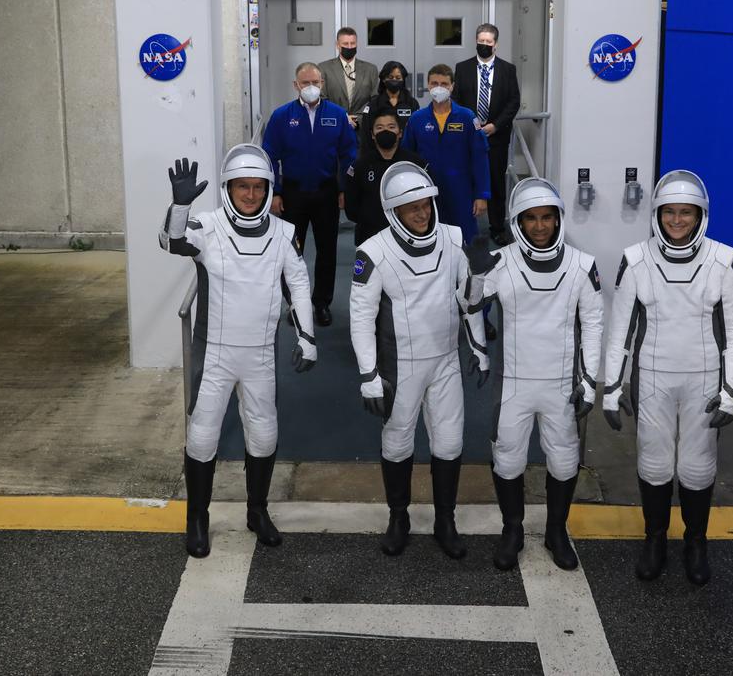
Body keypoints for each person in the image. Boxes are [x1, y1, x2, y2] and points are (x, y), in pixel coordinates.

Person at [158, 144, 318, 559]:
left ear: (269, 189)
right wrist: (179, 205)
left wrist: (307, 337)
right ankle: (197, 518)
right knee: (202, 436)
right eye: (242, 187)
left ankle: (257, 511)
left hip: (261, 354)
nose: (250, 195)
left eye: (258, 187)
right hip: (215, 354)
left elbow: (298, 284)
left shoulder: (283, 233)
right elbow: (171, 241)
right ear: (228, 189)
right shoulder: (208, 227)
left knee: (263, 434)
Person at [600, 170, 733, 585]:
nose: (677, 221)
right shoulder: (635, 259)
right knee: (654, 462)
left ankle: (696, 542)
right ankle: (655, 539)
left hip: (704, 382)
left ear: (701, 215)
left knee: (698, 468)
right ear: (657, 214)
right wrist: (611, 389)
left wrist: (731, 392)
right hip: (652, 380)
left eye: (686, 213)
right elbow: (620, 332)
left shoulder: (723, 260)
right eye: (670, 213)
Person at [459, 178, 604, 572]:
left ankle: (557, 531)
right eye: (530, 219)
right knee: (508, 459)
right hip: (515, 383)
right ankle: (513, 530)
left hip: (561, 386)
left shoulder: (581, 265)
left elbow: (593, 324)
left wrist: (589, 381)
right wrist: (479, 348)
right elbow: (470, 306)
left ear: (558, 219)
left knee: (563, 460)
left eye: (547, 218)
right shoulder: (501, 262)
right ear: (517, 222)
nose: (540, 227)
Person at [350, 161, 489, 560]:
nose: (422, 212)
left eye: (426, 203)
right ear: (394, 211)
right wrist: (369, 375)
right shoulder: (371, 253)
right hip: (401, 365)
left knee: (449, 443)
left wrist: (479, 348)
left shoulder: (453, 238)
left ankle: (446, 520)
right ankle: (399, 518)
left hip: (445, 359)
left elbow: (469, 300)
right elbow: (360, 318)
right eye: (412, 207)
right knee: (397, 443)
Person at [262, 62, 358, 327]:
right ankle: (295, 303)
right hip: (292, 193)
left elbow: (349, 154)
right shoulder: (282, 116)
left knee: (327, 251)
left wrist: (343, 188)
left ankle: (321, 304)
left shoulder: (337, 115)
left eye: (315, 82)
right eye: (305, 83)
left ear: (322, 84)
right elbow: (270, 155)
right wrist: (275, 192)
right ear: (296, 85)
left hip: (326, 192)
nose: (311, 87)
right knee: (292, 253)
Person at [401, 64, 490, 245]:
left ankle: (468, 273)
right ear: (427, 85)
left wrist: (482, 195)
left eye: (444, 83)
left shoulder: (466, 117)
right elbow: (406, 158)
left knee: (466, 240)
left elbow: (480, 158)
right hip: (427, 192)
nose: (439, 87)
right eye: (434, 83)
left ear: (452, 86)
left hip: (461, 190)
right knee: (430, 239)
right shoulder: (417, 119)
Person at [452, 24, 521, 246]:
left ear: (495, 44)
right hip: (468, 137)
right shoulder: (462, 68)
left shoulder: (508, 70)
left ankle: (497, 227)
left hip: (496, 137)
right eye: (480, 41)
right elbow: (457, 100)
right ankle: (462, 226)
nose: (484, 45)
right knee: (464, 179)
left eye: (488, 42)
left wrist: (495, 125)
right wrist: (471, 124)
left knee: (495, 183)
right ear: (476, 41)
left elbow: (513, 102)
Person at [344, 104, 429, 246]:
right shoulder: (360, 166)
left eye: (391, 127)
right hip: (369, 237)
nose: (385, 131)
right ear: (372, 134)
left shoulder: (415, 164)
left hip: (408, 235)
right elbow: (352, 208)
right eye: (380, 128)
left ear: (400, 132)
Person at [317, 26, 378, 126]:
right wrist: (343, 117)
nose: (349, 47)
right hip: (334, 125)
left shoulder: (371, 69)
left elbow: (374, 99)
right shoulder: (323, 68)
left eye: (352, 43)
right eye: (345, 44)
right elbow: (322, 98)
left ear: (357, 44)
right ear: (337, 45)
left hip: (362, 127)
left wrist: (359, 118)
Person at [354, 61, 414, 151]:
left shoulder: (412, 103)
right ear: (383, 79)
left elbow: (415, 133)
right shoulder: (373, 105)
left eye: (398, 78)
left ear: (403, 80)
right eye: (390, 77)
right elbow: (366, 137)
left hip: (405, 154)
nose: (394, 80)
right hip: (378, 155)